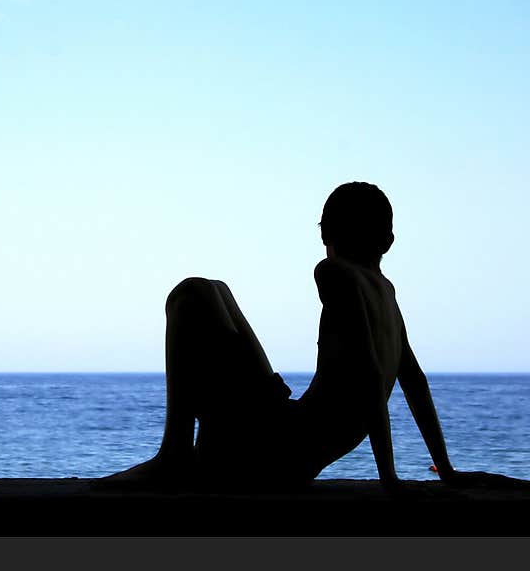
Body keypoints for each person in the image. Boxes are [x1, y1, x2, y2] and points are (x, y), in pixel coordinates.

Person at [103, 182, 518, 493]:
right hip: (287, 437)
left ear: (326, 237)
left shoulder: (334, 272)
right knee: (216, 289)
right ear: (388, 242)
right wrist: (445, 469)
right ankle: (186, 451)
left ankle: (175, 454)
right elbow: (414, 381)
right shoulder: (385, 291)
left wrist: (389, 480)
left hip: (267, 453)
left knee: (192, 293)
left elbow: (370, 375)